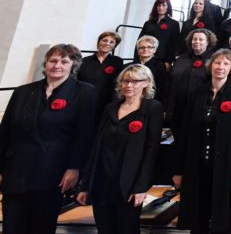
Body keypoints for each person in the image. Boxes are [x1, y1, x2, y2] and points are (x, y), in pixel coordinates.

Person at [0, 44, 95, 234]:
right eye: (53, 60)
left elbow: (83, 134)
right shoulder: (23, 91)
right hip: (17, 167)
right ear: (45, 64)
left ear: (73, 65)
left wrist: (74, 167)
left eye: (64, 61)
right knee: (12, 223)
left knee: (41, 223)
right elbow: (5, 131)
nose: (57, 65)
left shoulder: (84, 92)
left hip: (53, 169)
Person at [77, 64, 164, 233]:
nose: (128, 85)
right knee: (104, 228)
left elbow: (151, 150)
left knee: (126, 228)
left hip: (129, 182)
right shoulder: (111, 108)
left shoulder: (152, 108)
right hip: (102, 178)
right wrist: (86, 185)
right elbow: (97, 146)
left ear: (146, 83)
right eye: (125, 81)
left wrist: (141, 186)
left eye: (134, 81)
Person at [172, 49, 231, 234]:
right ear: (210, 65)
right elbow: (184, 132)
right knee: (197, 216)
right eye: (217, 63)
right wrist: (178, 169)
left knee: (223, 218)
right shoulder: (197, 92)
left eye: (225, 63)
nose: (220, 67)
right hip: (197, 163)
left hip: (226, 165)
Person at [168, 28, 217, 133]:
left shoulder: (213, 60)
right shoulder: (181, 59)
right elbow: (171, 82)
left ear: (208, 42)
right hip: (179, 106)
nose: (197, 42)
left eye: (201, 39)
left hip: (200, 107)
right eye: (194, 39)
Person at [78, 31, 124, 123]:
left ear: (114, 46)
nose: (107, 43)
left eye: (111, 42)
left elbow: (118, 83)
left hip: (106, 104)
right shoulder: (84, 61)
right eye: (104, 40)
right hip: (85, 102)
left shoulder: (118, 61)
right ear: (99, 42)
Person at [136, 0, 180, 66]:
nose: (161, 7)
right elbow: (139, 41)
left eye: (163, 5)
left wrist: (169, 61)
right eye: (159, 5)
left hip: (162, 60)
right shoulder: (148, 23)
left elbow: (174, 44)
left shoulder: (173, 24)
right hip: (145, 58)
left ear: (168, 7)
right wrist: (136, 59)